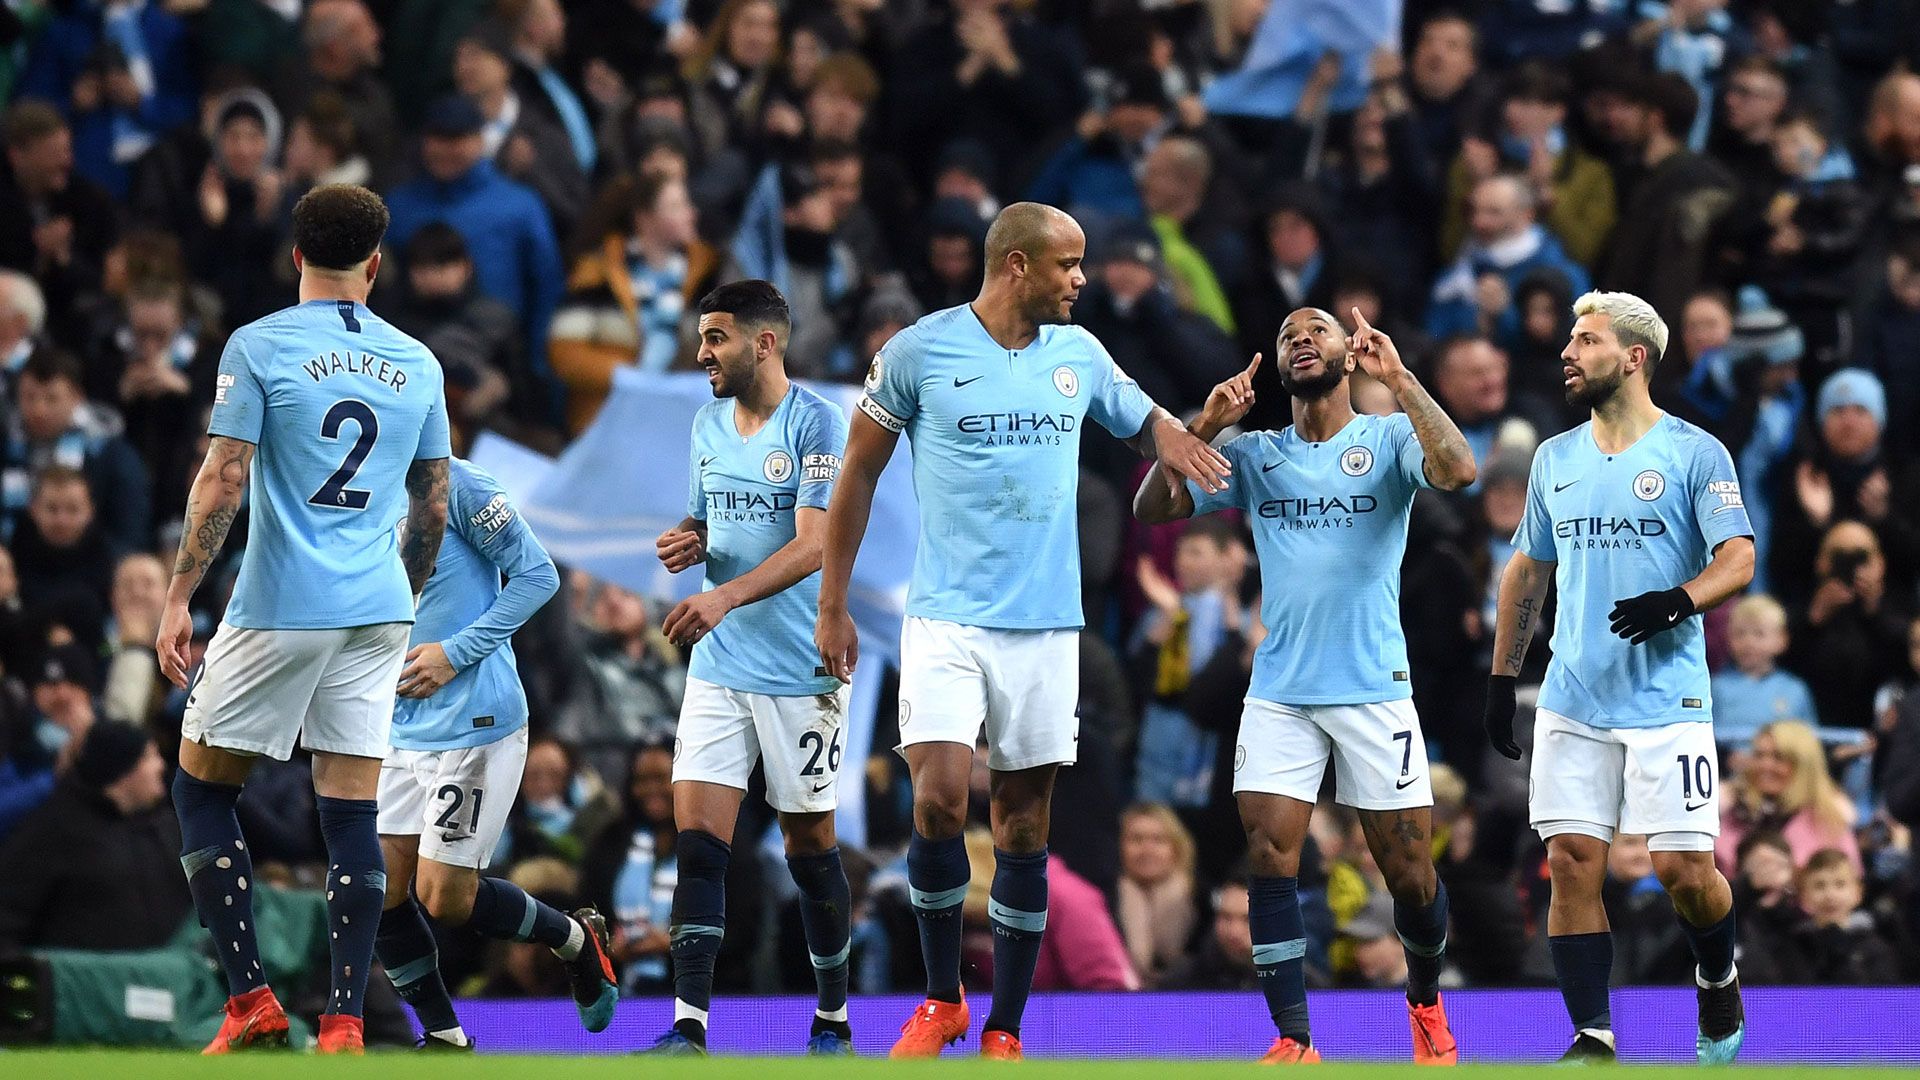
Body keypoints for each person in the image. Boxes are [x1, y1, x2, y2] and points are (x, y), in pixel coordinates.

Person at [815, 202, 1229, 1060]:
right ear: (1016, 266)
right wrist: (832, 600)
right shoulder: (920, 352)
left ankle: (1003, 1024)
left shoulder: (1079, 354)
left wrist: (1189, 434)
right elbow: (856, 472)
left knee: (1023, 826)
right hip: (945, 617)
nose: (1082, 280)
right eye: (1068, 264)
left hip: (1045, 626)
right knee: (935, 796)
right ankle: (941, 1000)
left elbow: (1143, 417)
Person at [1133, 305, 1478, 1064]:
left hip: (1372, 687)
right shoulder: (1255, 454)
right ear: (1280, 366)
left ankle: (1425, 1005)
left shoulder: (1387, 438)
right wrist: (1202, 427)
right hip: (1281, 691)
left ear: (1349, 356)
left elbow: (1458, 469)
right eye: (1289, 334)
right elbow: (1152, 508)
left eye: (1317, 329)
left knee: (1411, 874)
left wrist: (1404, 380)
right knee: (1269, 853)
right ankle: (1294, 1037)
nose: (1301, 340)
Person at [154, 183, 452, 1055]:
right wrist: (404, 593)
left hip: (283, 601)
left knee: (203, 786)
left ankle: (249, 999)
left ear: (296, 257)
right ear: (376, 264)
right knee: (350, 813)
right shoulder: (420, 361)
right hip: (378, 610)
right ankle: (346, 1019)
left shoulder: (260, 346)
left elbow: (224, 476)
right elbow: (432, 501)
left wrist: (177, 597)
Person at [1484, 290, 1756, 1064]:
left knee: (1682, 870)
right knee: (1571, 860)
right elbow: (1527, 569)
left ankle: (1717, 973)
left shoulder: (1695, 452)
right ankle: (1593, 1035)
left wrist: (1680, 599)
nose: (1568, 353)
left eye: (1587, 340)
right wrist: (1504, 680)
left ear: (1634, 357)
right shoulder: (1554, 458)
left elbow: (1739, 555)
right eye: (1570, 340)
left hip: (1668, 695)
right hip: (1573, 695)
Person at [647, 281, 854, 1056]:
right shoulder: (706, 423)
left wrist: (725, 595)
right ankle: (688, 1027)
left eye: (716, 337)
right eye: (702, 338)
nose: (701, 353)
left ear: (764, 343)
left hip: (801, 667)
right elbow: (711, 517)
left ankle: (832, 1018)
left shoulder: (816, 422)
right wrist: (692, 540)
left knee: (810, 847)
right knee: (699, 841)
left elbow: (813, 543)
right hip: (721, 666)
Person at [369, 454, 614, 1052]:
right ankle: (446, 1038)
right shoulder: (353, 485)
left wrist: (454, 652)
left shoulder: (461, 484)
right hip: (398, 725)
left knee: (445, 899)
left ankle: (577, 941)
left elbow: (538, 576)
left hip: (477, 720)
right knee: (379, 890)